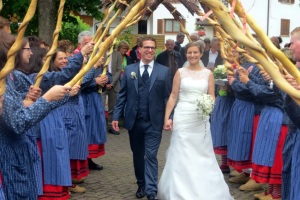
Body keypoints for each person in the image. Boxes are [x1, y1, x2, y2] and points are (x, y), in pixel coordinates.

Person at [157, 41, 233, 200]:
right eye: (189, 53)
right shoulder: (180, 72)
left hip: (201, 118)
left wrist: (208, 105)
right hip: (183, 115)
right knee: (181, 151)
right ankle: (179, 191)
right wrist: (167, 117)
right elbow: (173, 95)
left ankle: (203, 190)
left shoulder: (208, 74)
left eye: (195, 52)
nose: (192, 55)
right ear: (186, 54)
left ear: (200, 53)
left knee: (202, 152)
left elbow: (212, 95)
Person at [112, 36, 171, 200]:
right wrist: (116, 116)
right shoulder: (130, 69)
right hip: (134, 121)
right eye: (146, 47)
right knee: (138, 155)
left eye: (153, 47)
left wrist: (168, 117)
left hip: (154, 121)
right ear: (140, 49)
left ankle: (151, 190)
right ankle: (141, 184)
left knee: (150, 155)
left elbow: (168, 97)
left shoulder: (164, 71)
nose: (150, 50)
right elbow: (122, 95)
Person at [102, 35, 123, 135]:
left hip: (114, 84)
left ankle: (111, 126)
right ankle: (101, 127)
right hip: (101, 85)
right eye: (106, 42)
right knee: (100, 106)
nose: (109, 44)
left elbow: (119, 70)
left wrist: (112, 82)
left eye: (110, 42)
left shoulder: (117, 54)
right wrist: (105, 81)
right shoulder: (99, 54)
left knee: (113, 106)